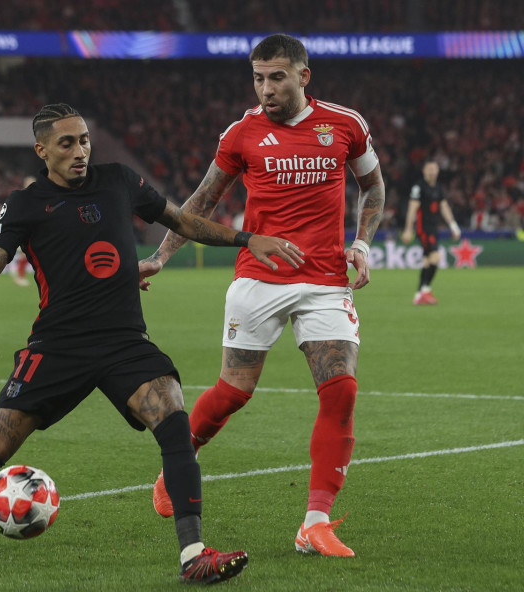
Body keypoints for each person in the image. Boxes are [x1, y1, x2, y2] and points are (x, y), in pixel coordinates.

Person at [0, 103, 305, 583]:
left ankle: (193, 556)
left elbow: (180, 221)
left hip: (123, 341)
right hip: (57, 346)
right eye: (66, 143)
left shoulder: (120, 180)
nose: (80, 150)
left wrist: (247, 240)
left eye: (83, 140)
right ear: (42, 150)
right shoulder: (25, 203)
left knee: (173, 416)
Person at [141, 34, 385, 558]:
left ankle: (314, 522)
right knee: (233, 392)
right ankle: (176, 467)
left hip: (324, 281)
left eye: (276, 77)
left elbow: (374, 187)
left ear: (303, 75)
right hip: (258, 277)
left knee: (340, 392)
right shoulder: (241, 134)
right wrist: (161, 256)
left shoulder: (346, 125)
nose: (266, 88)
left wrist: (361, 243)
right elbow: (200, 202)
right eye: (258, 78)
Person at [401, 160, 461, 305]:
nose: (432, 171)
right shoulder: (419, 187)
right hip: (424, 229)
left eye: (434, 168)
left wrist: (453, 225)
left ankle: (419, 294)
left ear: (438, 171)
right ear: (424, 171)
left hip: (434, 228)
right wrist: (408, 229)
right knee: (435, 256)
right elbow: (412, 208)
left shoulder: (438, 187)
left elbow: (444, 207)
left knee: (427, 261)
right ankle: (425, 290)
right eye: (429, 169)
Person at [8, 176, 36, 287]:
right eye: (30, 183)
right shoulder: (22, 197)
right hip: (25, 230)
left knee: (25, 255)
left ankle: (18, 274)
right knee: (24, 254)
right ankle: (20, 276)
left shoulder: (35, 197)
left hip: (33, 230)